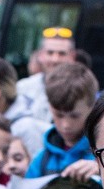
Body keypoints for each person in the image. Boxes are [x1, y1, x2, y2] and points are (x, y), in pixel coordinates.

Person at [20, 62, 99, 189]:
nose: (65, 124)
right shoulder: (41, 160)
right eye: (58, 115)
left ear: (92, 107)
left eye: (74, 116)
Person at [8, 27, 77, 157]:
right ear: (40, 55)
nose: (55, 59)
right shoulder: (23, 87)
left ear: (72, 57)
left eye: (61, 54)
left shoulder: (81, 91)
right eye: (50, 53)